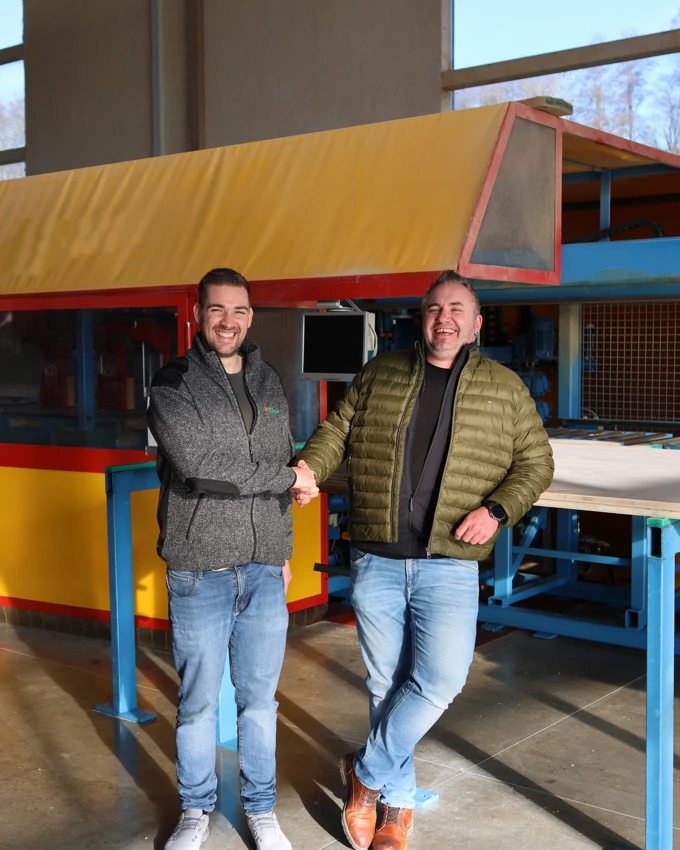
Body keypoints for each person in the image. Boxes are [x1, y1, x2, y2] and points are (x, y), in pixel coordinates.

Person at [296, 270, 554, 850]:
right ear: (422, 316)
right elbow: (336, 430)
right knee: (386, 684)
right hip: (378, 555)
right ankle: (396, 809)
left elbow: (536, 463)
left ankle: (364, 775)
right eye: (435, 308)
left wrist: (495, 510)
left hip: (451, 562)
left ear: (477, 322)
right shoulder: (381, 373)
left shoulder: (505, 387)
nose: (445, 318)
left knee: (440, 680)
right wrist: (310, 467)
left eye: (457, 308)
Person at [148, 267, 317, 850]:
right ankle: (195, 811)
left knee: (259, 703)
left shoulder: (270, 382)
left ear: (251, 316)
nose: (229, 321)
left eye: (240, 311)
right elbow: (202, 469)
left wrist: (283, 550)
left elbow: (279, 458)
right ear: (198, 314)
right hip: (200, 568)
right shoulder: (172, 383)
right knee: (197, 704)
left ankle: (260, 809)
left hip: (265, 569)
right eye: (217, 310)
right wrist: (287, 478)